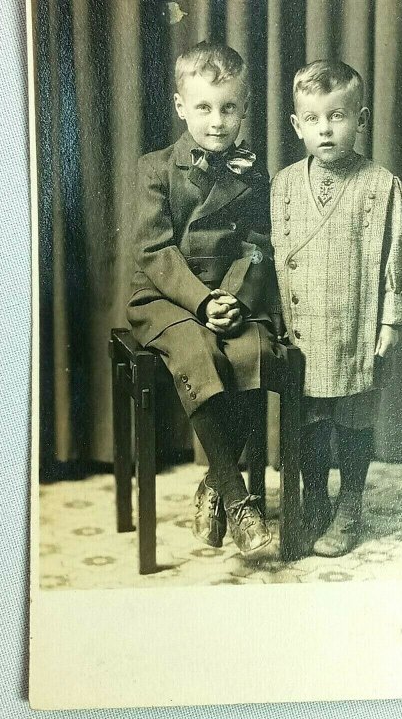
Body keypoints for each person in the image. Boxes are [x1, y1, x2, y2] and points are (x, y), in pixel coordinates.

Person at [127, 41, 284, 557]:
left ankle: (212, 484)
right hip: (169, 299)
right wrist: (201, 301)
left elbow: (257, 243)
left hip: (234, 294)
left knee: (253, 352)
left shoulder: (253, 170)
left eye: (229, 107)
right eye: (204, 107)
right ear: (180, 107)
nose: (217, 121)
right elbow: (155, 252)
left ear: (243, 107)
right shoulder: (154, 169)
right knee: (198, 353)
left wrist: (232, 298)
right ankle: (239, 500)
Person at [271, 60, 402, 557]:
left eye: (337, 116)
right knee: (310, 416)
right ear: (297, 125)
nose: (326, 128)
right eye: (313, 119)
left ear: (361, 118)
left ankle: (350, 502)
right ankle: (315, 496)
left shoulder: (382, 186)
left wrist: (390, 319)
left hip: (356, 325)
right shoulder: (285, 186)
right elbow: (274, 255)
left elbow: (398, 257)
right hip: (304, 327)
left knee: (353, 416)